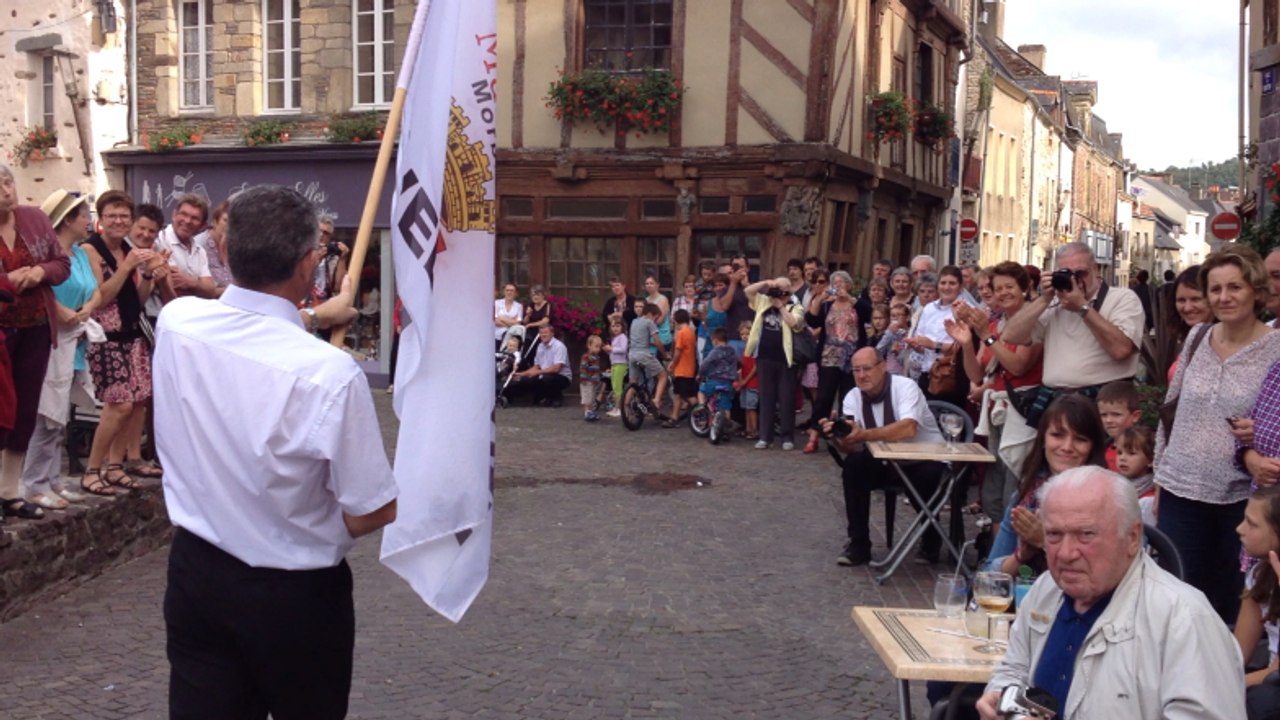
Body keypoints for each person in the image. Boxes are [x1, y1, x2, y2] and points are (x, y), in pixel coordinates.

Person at [154, 184, 397, 720]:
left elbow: (240, 321)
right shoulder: (330, 375)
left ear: (225, 250)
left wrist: (313, 319)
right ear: (310, 262)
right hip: (294, 593)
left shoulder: (178, 325)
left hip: (197, 573)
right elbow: (373, 508)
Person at [976, 467, 1245, 720]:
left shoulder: (1185, 619)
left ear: (1131, 538)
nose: (1067, 553)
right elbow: (1014, 667)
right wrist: (1002, 695)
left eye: (1086, 534)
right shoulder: (1046, 589)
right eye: (1054, 535)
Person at [1157, 246, 1280, 623]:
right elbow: (1170, 412)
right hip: (1180, 489)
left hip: (1239, 497)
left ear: (1256, 291)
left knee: (1229, 599)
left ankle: (1223, 676)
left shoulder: (1275, 348)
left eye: (1235, 288)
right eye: (1215, 289)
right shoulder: (1197, 337)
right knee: (1177, 596)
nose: (1223, 298)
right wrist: (1160, 479)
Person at [822, 346, 946, 566]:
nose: (861, 375)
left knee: (927, 475)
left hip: (924, 457)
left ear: (883, 366)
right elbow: (851, 446)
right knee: (853, 466)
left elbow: (908, 429)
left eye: (867, 369)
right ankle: (858, 543)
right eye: (856, 370)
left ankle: (931, 538)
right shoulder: (852, 397)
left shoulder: (905, 387)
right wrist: (836, 436)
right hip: (885, 462)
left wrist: (864, 435)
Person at [80, 191, 165, 497]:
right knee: (119, 405)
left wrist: (149, 277)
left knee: (135, 403)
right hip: (106, 337)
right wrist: (128, 267)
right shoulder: (91, 250)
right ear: (100, 220)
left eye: (123, 216)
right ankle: (92, 470)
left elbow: (138, 301)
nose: (118, 221)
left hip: (132, 334)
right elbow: (100, 297)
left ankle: (115, 466)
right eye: (112, 216)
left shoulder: (128, 249)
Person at [946, 261, 1043, 526]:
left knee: (1013, 485)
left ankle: (1008, 555)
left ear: (1025, 288)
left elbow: (1018, 365)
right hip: (996, 413)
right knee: (993, 490)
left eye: (1009, 287)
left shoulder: (1034, 321)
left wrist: (987, 336)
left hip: (1021, 413)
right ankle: (993, 550)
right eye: (997, 288)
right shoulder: (997, 323)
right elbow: (977, 374)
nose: (1002, 293)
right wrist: (967, 343)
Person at [1000, 242, 1145, 419]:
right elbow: (1011, 336)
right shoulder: (1055, 304)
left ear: (1095, 269)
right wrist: (1044, 299)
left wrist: (1082, 307)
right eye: (1067, 274)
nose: (1074, 280)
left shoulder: (1122, 298)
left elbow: (1121, 350)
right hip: (1056, 400)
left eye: (1080, 273)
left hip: (1105, 402)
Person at [0, 166, 70, 520]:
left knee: (26, 408)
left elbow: (62, 263)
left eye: (8, 181)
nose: (5, 190)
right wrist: (8, 280)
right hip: (1, 331)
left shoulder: (35, 219)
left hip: (37, 327)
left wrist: (42, 272)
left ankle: (10, 492)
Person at [20, 189, 94, 511]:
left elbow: (95, 289)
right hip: (50, 338)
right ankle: (32, 482)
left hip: (74, 339)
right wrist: (60, 311)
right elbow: (39, 290)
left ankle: (52, 478)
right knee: (45, 411)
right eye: (84, 215)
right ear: (67, 220)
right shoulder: (43, 258)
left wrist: (87, 308)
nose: (89, 221)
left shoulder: (78, 254)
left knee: (60, 413)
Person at [982, 394, 1107, 576]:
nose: (1067, 446)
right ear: (1043, 440)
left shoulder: (1108, 499)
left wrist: (1045, 541)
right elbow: (989, 573)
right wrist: (1021, 555)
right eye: (1057, 435)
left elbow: (1107, 576)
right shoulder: (1025, 495)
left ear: (1092, 447)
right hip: (1024, 596)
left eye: (1080, 439)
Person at [744, 277, 806, 450]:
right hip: (764, 357)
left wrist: (780, 306)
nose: (776, 292)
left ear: (788, 292)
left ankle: (787, 437)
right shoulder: (764, 302)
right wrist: (765, 283)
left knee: (786, 398)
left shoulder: (796, 306)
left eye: (780, 289)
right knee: (766, 398)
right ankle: (765, 436)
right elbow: (748, 292)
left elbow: (795, 324)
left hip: (786, 360)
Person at [803, 270, 861, 454]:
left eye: (842, 282)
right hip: (829, 357)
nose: (838, 286)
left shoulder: (856, 304)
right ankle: (814, 435)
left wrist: (850, 299)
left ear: (849, 286)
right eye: (835, 283)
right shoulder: (828, 306)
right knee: (823, 398)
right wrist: (820, 299)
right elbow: (811, 320)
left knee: (848, 398)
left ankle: (845, 436)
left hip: (851, 359)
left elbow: (869, 314)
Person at [1236, 488, 1280, 719]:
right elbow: (1237, 654)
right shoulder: (1258, 574)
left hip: (1272, 688)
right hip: (1268, 681)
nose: (1239, 529)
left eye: (1252, 524)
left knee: (1258, 703)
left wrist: (1228, 686)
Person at [154, 193, 216, 299]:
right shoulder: (160, 240)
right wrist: (199, 284)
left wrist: (190, 282)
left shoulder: (200, 251)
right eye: (184, 214)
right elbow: (173, 287)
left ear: (203, 226)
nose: (187, 221)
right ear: (174, 215)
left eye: (195, 218)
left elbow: (211, 291)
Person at [505, 325, 574, 406]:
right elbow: (536, 366)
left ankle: (556, 397)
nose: (543, 335)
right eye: (541, 333)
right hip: (544, 374)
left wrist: (537, 373)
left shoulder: (559, 346)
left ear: (552, 334)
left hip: (562, 376)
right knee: (526, 380)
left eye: (546, 333)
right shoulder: (540, 346)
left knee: (546, 379)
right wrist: (521, 374)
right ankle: (540, 398)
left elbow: (556, 368)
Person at [628, 303, 673, 421]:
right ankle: (656, 400)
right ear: (649, 314)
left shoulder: (634, 321)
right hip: (644, 354)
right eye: (656, 317)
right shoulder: (649, 322)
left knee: (634, 382)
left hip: (632, 354)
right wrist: (665, 354)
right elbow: (657, 342)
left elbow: (639, 339)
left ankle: (625, 406)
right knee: (662, 375)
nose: (656, 320)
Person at [1096, 380, 1141, 471]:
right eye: (1104, 415)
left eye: (1116, 414)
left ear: (1135, 416)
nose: (1108, 420)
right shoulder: (1101, 449)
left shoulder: (1145, 447)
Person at [1115, 425, 1156, 526]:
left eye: (1131, 453)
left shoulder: (1150, 501)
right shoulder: (1113, 485)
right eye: (1119, 452)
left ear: (1150, 460)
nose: (1122, 458)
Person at [696, 327, 738, 415]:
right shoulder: (732, 351)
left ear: (715, 341)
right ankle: (727, 422)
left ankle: (702, 409)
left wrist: (700, 374)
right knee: (725, 406)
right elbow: (735, 365)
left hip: (715, 380)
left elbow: (705, 363)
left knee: (702, 391)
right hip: (727, 382)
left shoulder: (715, 351)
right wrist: (734, 379)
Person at [667, 308, 697, 426]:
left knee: (688, 396)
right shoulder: (690, 331)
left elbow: (678, 351)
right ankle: (674, 417)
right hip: (689, 367)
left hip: (682, 369)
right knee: (678, 394)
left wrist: (672, 364)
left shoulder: (681, 333)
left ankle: (701, 412)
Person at [735, 321, 759, 440]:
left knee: (751, 407)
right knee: (745, 406)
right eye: (742, 334)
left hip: (752, 383)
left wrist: (745, 380)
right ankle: (748, 429)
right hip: (745, 382)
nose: (744, 336)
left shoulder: (754, 347)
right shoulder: (745, 348)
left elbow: (756, 367)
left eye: (747, 334)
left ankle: (754, 430)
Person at [202, 200, 232, 293]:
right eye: (225, 220)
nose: (229, 225)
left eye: (233, 222)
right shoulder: (200, 244)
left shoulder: (235, 246)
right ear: (215, 222)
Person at [878, 303, 912, 376]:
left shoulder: (911, 334)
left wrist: (897, 352)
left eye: (899, 315)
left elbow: (907, 359)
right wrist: (889, 333)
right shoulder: (889, 334)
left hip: (904, 374)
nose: (895, 318)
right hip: (889, 373)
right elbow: (878, 352)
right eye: (893, 316)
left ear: (908, 317)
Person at [578, 334, 605, 422]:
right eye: (596, 346)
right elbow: (583, 368)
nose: (598, 349)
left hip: (593, 381)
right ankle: (587, 412)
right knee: (587, 397)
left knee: (592, 396)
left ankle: (591, 411)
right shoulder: (586, 357)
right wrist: (583, 378)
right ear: (589, 346)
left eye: (599, 347)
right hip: (587, 381)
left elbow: (596, 369)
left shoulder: (597, 357)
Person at [521, 285, 552, 359]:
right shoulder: (531, 304)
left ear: (543, 295)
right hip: (530, 331)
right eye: (533, 295)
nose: (535, 297)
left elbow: (545, 322)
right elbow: (525, 322)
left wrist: (531, 325)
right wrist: (528, 315)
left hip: (542, 331)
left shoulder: (547, 305)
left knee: (529, 340)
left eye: (538, 295)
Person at [605, 320, 628, 418]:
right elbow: (612, 353)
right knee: (615, 387)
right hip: (614, 364)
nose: (615, 328)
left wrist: (611, 349)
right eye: (613, 326)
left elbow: (623, 349)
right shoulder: (614, 338)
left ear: (622, 327)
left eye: (618, 326)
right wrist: (608, 350)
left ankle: (619, 408)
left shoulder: (622, 337)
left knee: (617, 387)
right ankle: (616, 407)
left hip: (620, 364)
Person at [493, 282, 522, 349]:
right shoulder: (497, 303)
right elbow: (495, 321)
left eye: (512, 291)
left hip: (511, 338)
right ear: (504, 292)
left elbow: (518, 324)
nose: (509, 292)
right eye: (507, 290)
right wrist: (512, 322)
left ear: (516, 293)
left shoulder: (519, 306)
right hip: (496, 335)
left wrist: (502, 318)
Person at [1133, 268, 1154, 333]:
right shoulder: (1151, 290)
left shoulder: (1134, 290)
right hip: (1149, 315)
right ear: (1147, 278)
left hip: (1138, 315)